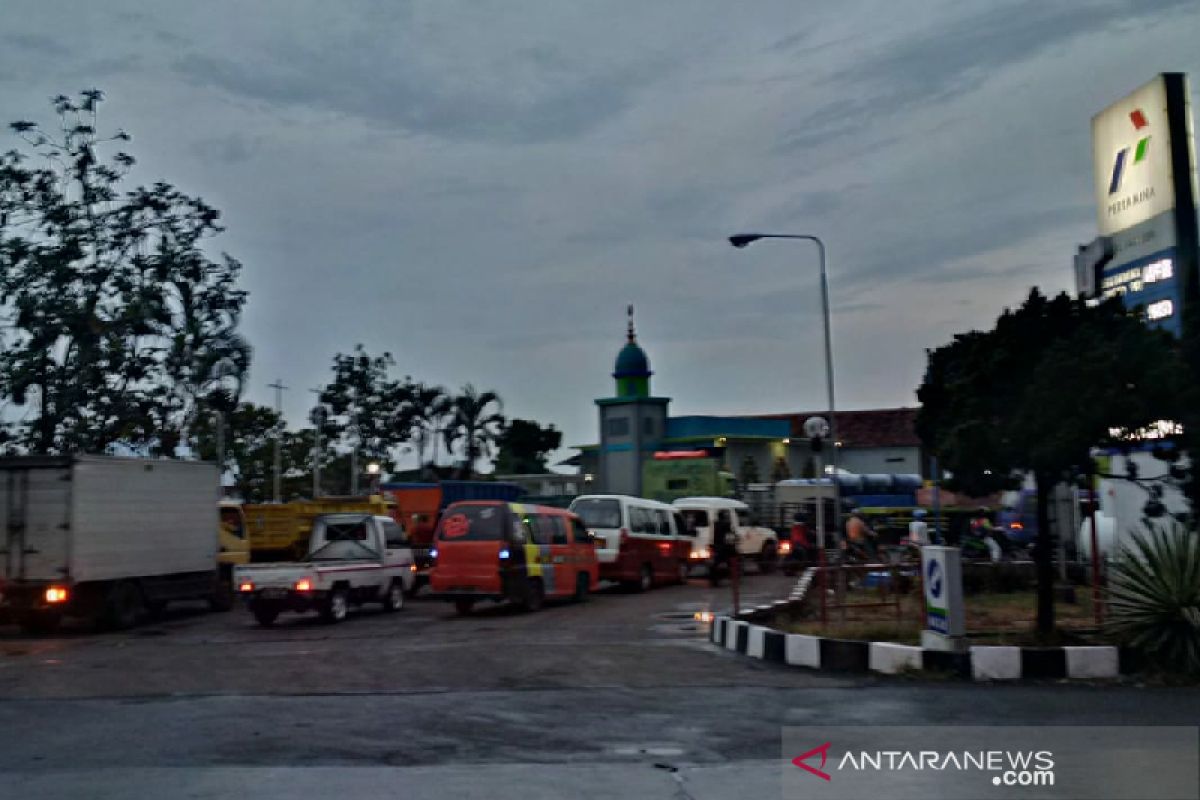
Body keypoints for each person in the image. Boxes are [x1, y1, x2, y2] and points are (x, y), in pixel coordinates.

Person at [710, 509, 736, 587]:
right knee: (731, 561)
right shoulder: (726, 524)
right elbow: (730, 534)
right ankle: (732, 577)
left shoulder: (715, 524)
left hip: (716, 546)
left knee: (715, 563)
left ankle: (714, 580)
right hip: (724, 546)